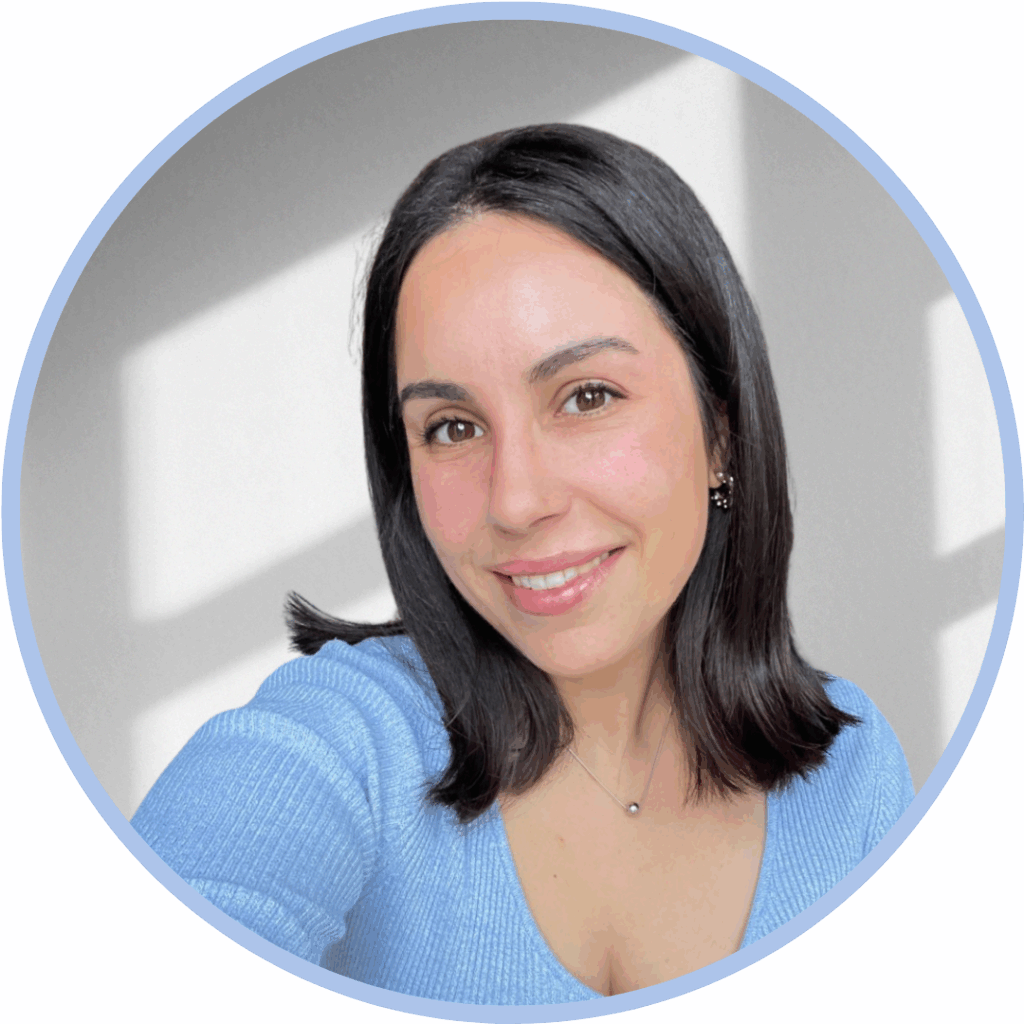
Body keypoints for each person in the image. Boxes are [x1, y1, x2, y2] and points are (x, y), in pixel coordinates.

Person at [131, 124, 914, 1004]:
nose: (515, 499)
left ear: (721, 428)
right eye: (452, 428)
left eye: (587, 397)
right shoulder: (349, 738)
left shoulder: (852, 772)